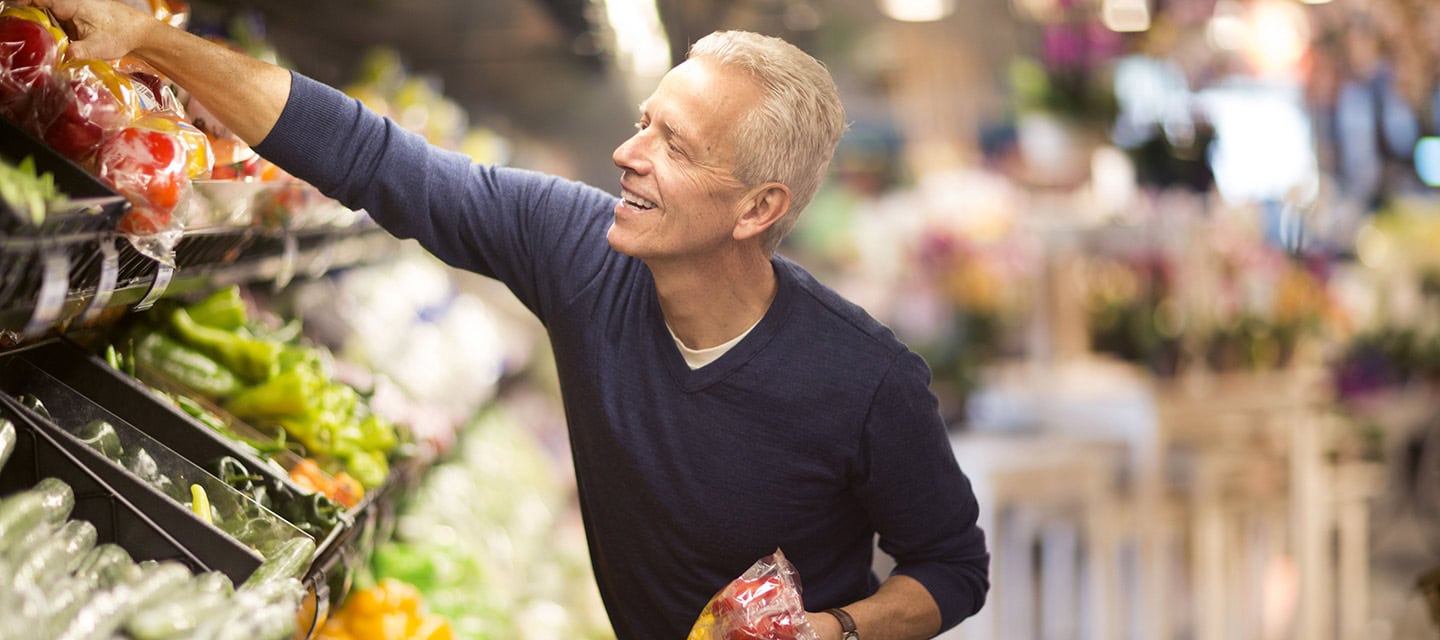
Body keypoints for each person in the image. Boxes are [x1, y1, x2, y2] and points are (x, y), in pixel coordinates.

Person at [29, 1, 990, 637]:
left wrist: (836, 628)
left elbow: (952, 566)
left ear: (756, 210)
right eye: (643, 120)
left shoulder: (864, 379)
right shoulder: (580, 250)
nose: (626, 150)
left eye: (673, 144)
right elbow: (378, 159)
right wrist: (149, 42)